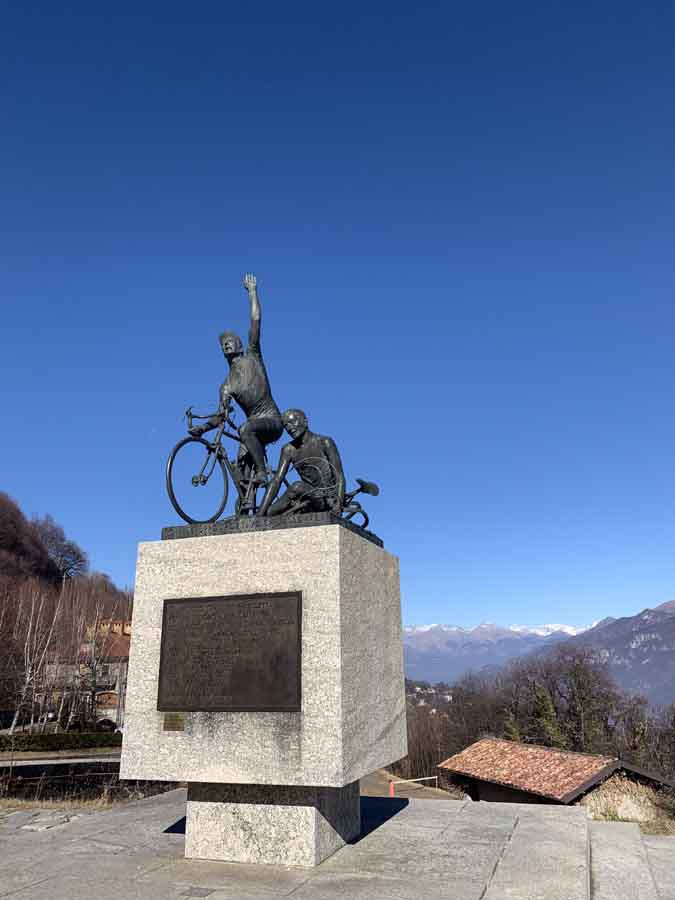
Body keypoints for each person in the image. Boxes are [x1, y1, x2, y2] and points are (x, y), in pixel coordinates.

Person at [190, 274, 283, 484]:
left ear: (240, 345)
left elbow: (256, 321)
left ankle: (262, 473)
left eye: (230, 341)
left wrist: (252, 293)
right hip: (250, 430)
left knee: (245, 429)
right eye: (223, 345)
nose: (226, 345)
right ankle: (246, 504)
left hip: (271, 421)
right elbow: (221, 417)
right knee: (238, 473)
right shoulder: (226, 386)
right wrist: (202, 429)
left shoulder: (253, 355)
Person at [258, 409, 346, 517]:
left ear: (305, 421)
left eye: (292, 422)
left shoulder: (324, 442)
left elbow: (339, 476)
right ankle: (261, 515)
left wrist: (339, 504)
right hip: (304, 496)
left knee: (297, 486)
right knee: (269, 513)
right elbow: (277, 480)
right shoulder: (288, 449)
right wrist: (260, 513)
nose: (290, 428)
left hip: (326, 498)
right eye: (286, 426)